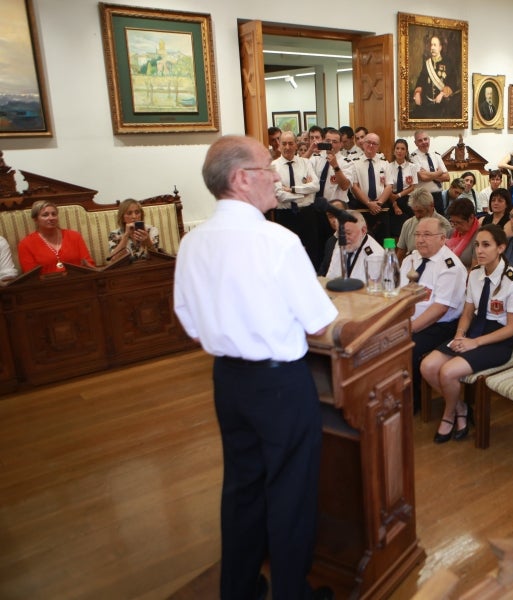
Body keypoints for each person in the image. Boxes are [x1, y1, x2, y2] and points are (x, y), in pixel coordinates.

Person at [173, 135, 338, 600]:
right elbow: (320, 322)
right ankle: (292, 594)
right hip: (280, 385)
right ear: (242, 179)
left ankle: (240, 589)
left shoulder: (192, 241)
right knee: (290, 492)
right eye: (268, 170)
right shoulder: (277, 241)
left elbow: (189, 322)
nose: (277, 182)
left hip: (228, 380)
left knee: (242, 487)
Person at [421, 224, 513, 443]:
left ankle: (449, 415)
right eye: (477, 244)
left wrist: (475, 343)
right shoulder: (476, 274)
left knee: (448, 372)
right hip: (473, 331)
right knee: (428, 366)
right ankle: (460, 407)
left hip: (497, 339)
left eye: (486, 245)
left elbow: (512, 328)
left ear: (501, 248)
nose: (479, 250)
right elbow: (468, 313)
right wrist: (460, 335)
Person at [399, 217, 467, 414]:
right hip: (409, 319)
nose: (420, 240)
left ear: (442, 238)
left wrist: (407, 329)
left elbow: (440, 309)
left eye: (427, 235)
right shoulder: (411, 259)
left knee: (405, 348)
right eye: (418, 234)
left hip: (441, 325)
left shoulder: (450, 266)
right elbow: (399, 292)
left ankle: (413, 402)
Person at [272, 130, 321, 264]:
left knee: (312, 254)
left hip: (307, 214)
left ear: (296, 145)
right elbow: (280, 195)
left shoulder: (305, 163)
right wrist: (304, 194)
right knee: (287, 255)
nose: (287, 147)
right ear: (279, 145)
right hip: (285, 216)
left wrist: (294, 189)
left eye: (290, 143)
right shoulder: (273, 167)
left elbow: (316, 186)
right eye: (284, 144)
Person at [17, 200, 95, 275]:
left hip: (79, 282)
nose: (51, 218)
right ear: (35, 219)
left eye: (54, 214)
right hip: (46, 286)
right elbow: (30, 276)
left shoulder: (74, 236)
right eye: (45, 215)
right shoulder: (26, 244)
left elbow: (89, 264)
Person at [349, 133, 392, 242]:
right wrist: (368, 203)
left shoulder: (385, 164)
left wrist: (378, 204)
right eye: (368, 142)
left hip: (381, 208)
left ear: (378, 146)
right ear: (363, 143)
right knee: (362, 241)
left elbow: (389, 186)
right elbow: (355, 186)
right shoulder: (354, 164)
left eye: (374, 144)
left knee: (384, 241)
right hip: (362, 207)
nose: (371, 146)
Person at [324, 210, 384, 281]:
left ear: (363, 230)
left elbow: (373, 288)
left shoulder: (376, 256)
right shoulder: (340, 243)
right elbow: (331, 277)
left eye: (348, 233)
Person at [411, 33, 459, 119]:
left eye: (435, 45)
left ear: (440, 47)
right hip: (427, 105)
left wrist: (442, 93)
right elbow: (421, 80)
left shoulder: (448, 63)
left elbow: (453, 82)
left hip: (443, 106)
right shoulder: (427, 63)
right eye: (431, 45)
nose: (432, 47)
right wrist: (417, 93)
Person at [396, 188, 451, 263]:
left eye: (420, 211)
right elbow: (401, 253)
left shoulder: (444, 226)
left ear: (431, 206)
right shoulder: (408, 224)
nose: (417, 215)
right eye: (414, 211)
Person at [383, 138, 418, 240]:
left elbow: (412, 187)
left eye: (402, 149)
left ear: (406, 151)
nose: (399, 151)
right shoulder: (388, 166)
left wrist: (398, 195)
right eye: (397, 148)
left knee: (407, 230)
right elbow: (386, 187)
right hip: (391, 199)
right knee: (394, 232)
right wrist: (394, 205)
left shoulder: (412, 167)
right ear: (394, 151)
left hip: (406, 199)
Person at [411, 130, 450, 212]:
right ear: (415, 143)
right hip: (422, 197)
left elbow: (447, 177)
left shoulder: (436, 155)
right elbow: (423, 177)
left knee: (439, 222)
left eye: (425, 139)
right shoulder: (413, 157)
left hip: (438, 196)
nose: (424, 142)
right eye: (420, 140)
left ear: (429, 140)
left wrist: (429, 174)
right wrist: (439, 173)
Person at [318, 199, 349, 276]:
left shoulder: (360, 236)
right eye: (330, 216)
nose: (335, 219)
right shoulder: (330, 241)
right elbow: (323, 270)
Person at [446, 198, 479, 267]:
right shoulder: (450, 233)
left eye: (459, 223)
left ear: (471, 217)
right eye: (452, 222)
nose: (455, 226)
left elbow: (475, 270)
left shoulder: (479, 237)